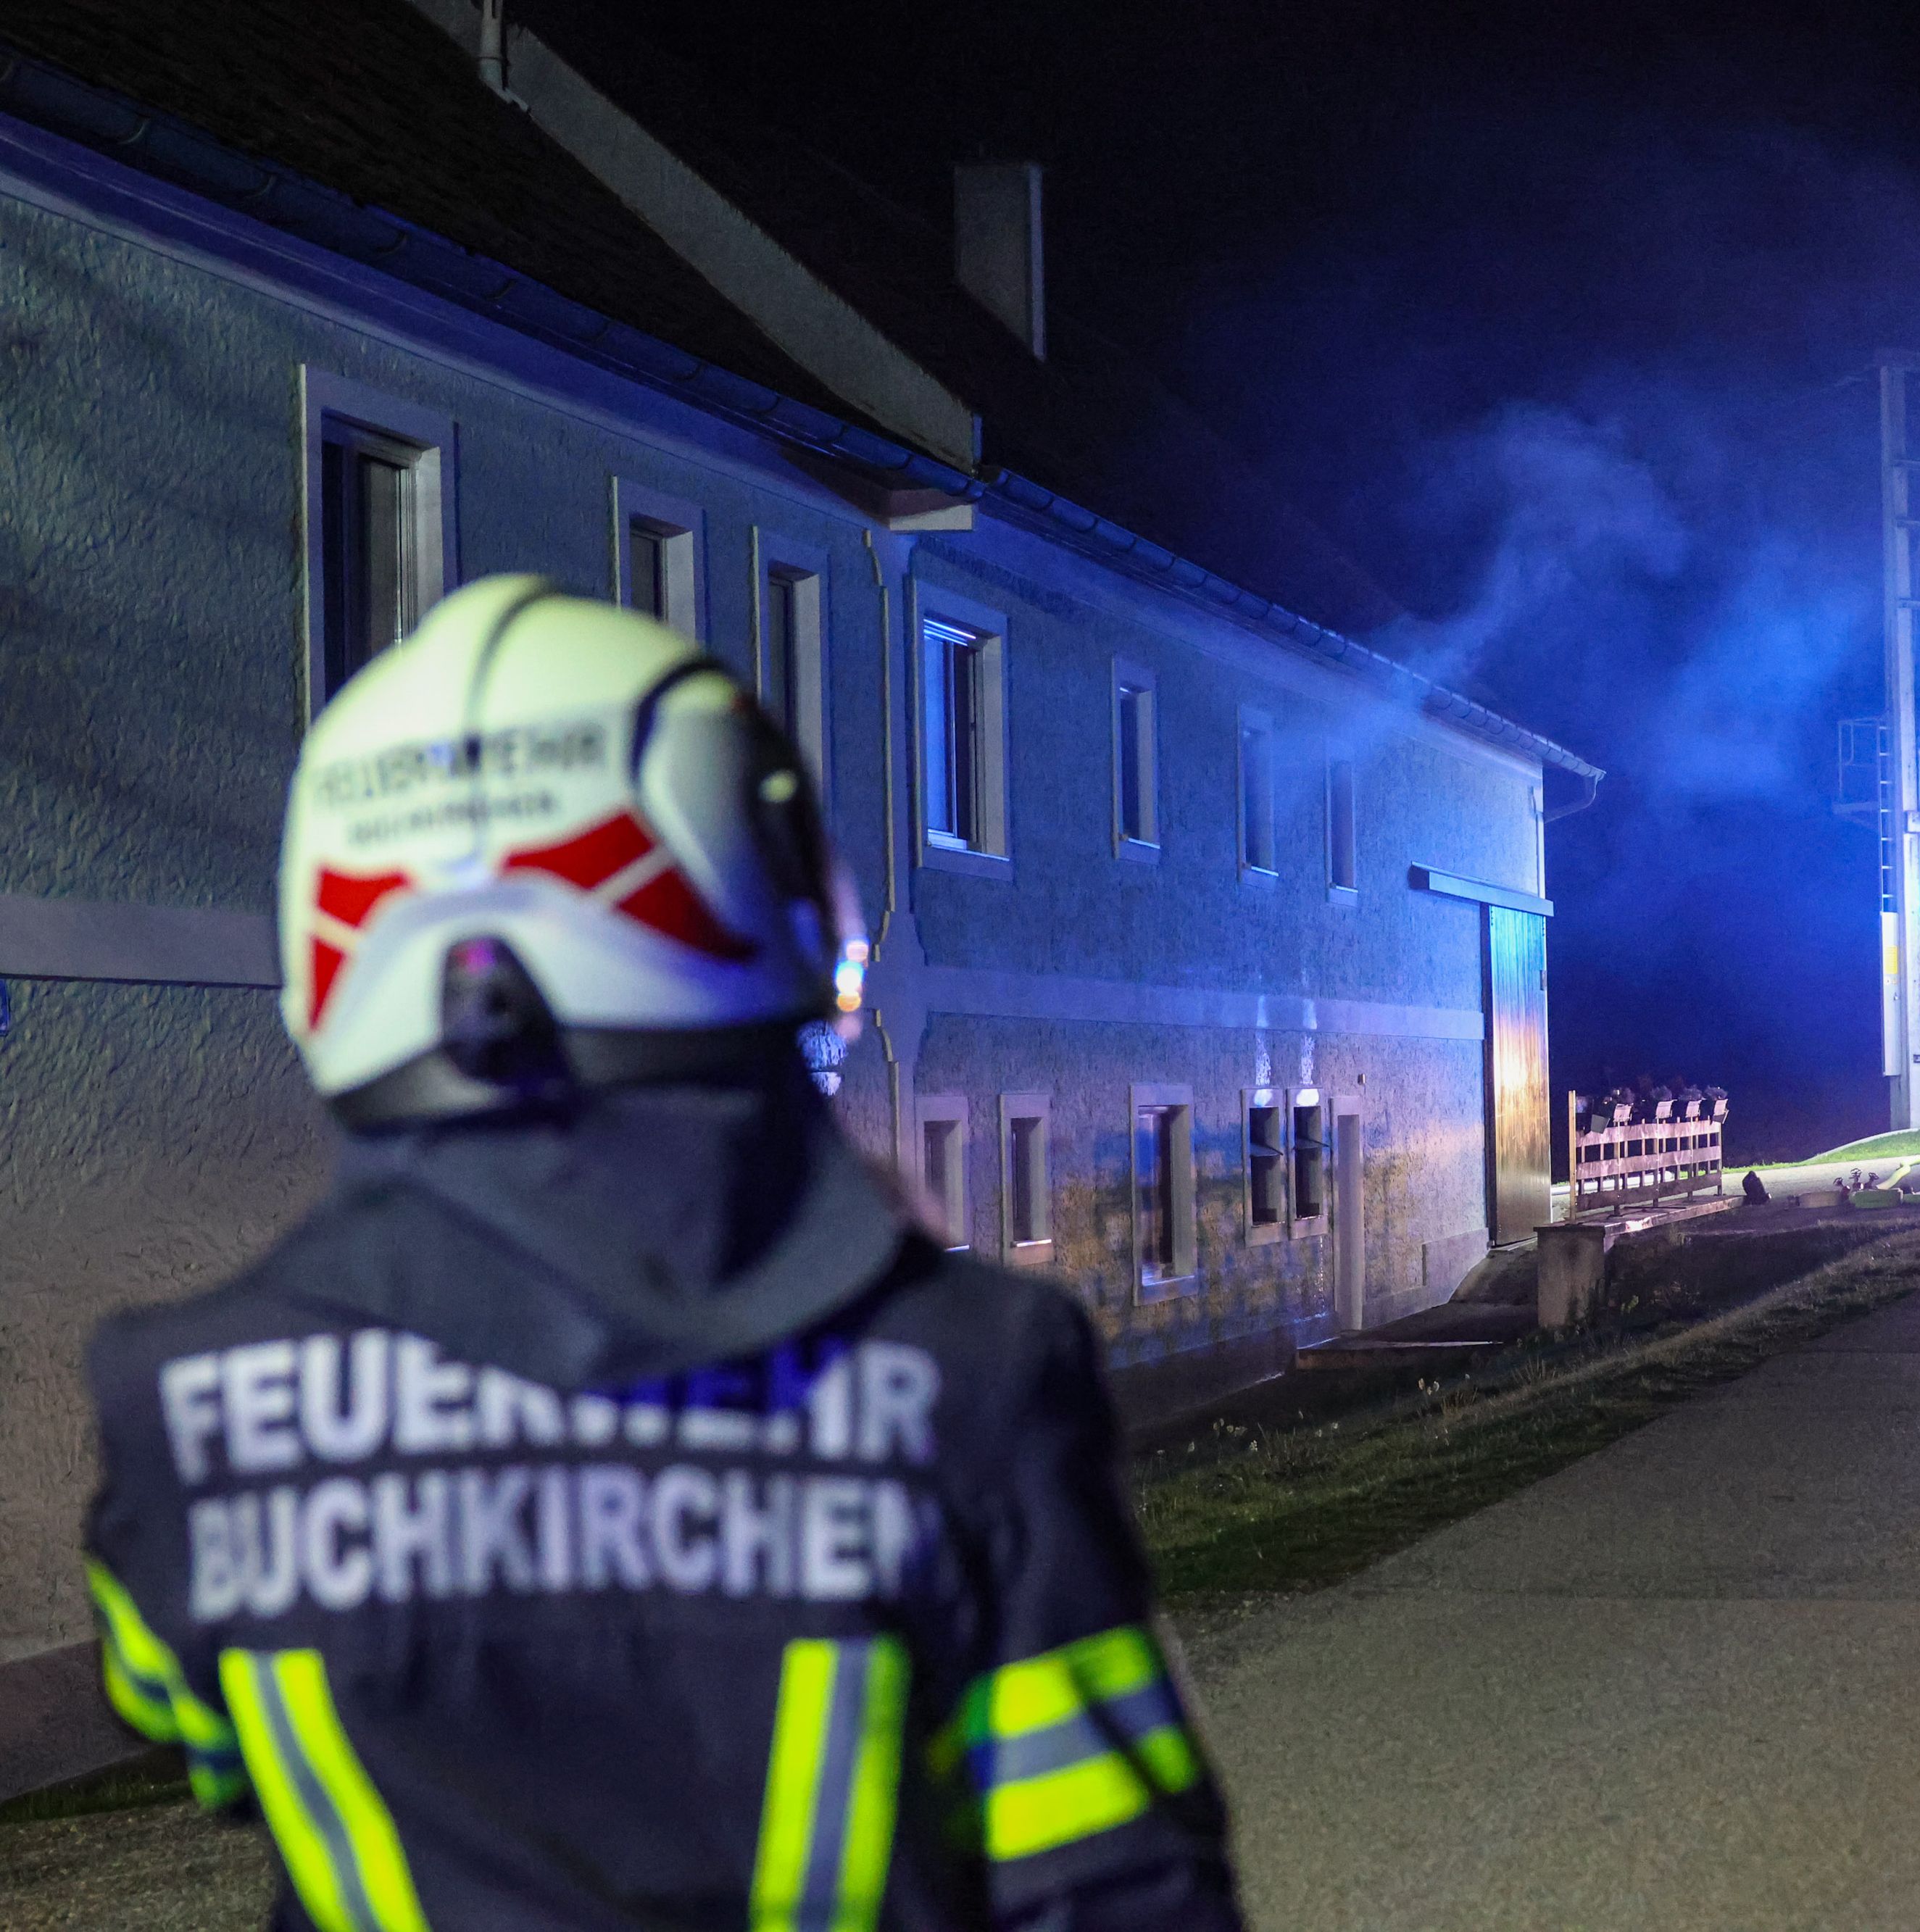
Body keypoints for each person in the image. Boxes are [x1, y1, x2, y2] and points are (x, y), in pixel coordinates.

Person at [78, 578, 1239, 1931]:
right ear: (751, 884)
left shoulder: (184, 1403)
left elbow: (211, 1735)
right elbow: (1114, 1884)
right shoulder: (964, 1374)